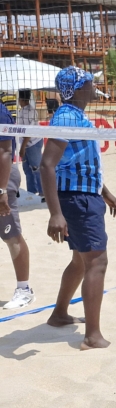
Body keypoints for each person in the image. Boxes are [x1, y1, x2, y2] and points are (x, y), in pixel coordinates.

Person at [41, 67, 116, 350]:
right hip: (77, 200)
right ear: (77, 89)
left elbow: (82, 162)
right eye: (88, 83)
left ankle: (59, 314)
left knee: (80, 261)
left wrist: (105, 192)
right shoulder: (66, 116)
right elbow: (47, 165)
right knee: (97, 263)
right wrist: (55, 213)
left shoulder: (75, 115)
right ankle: (92, 336)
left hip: (85, 194)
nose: (93, 87)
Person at [0, 100, 34, 309]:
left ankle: (24, 289)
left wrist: (2, 190)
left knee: (11, 234)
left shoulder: (1, 112)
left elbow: (5, 152)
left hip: (2, 178)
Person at [16, 90, 42, 197]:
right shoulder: (22, 111)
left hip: (33, 143)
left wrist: (22, 148)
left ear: (21, 99)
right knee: (27, 169)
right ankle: (31, 192)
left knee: (36, 168)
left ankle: (42, 192)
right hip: (27, 143)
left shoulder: (29, 112)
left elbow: (29, 132)